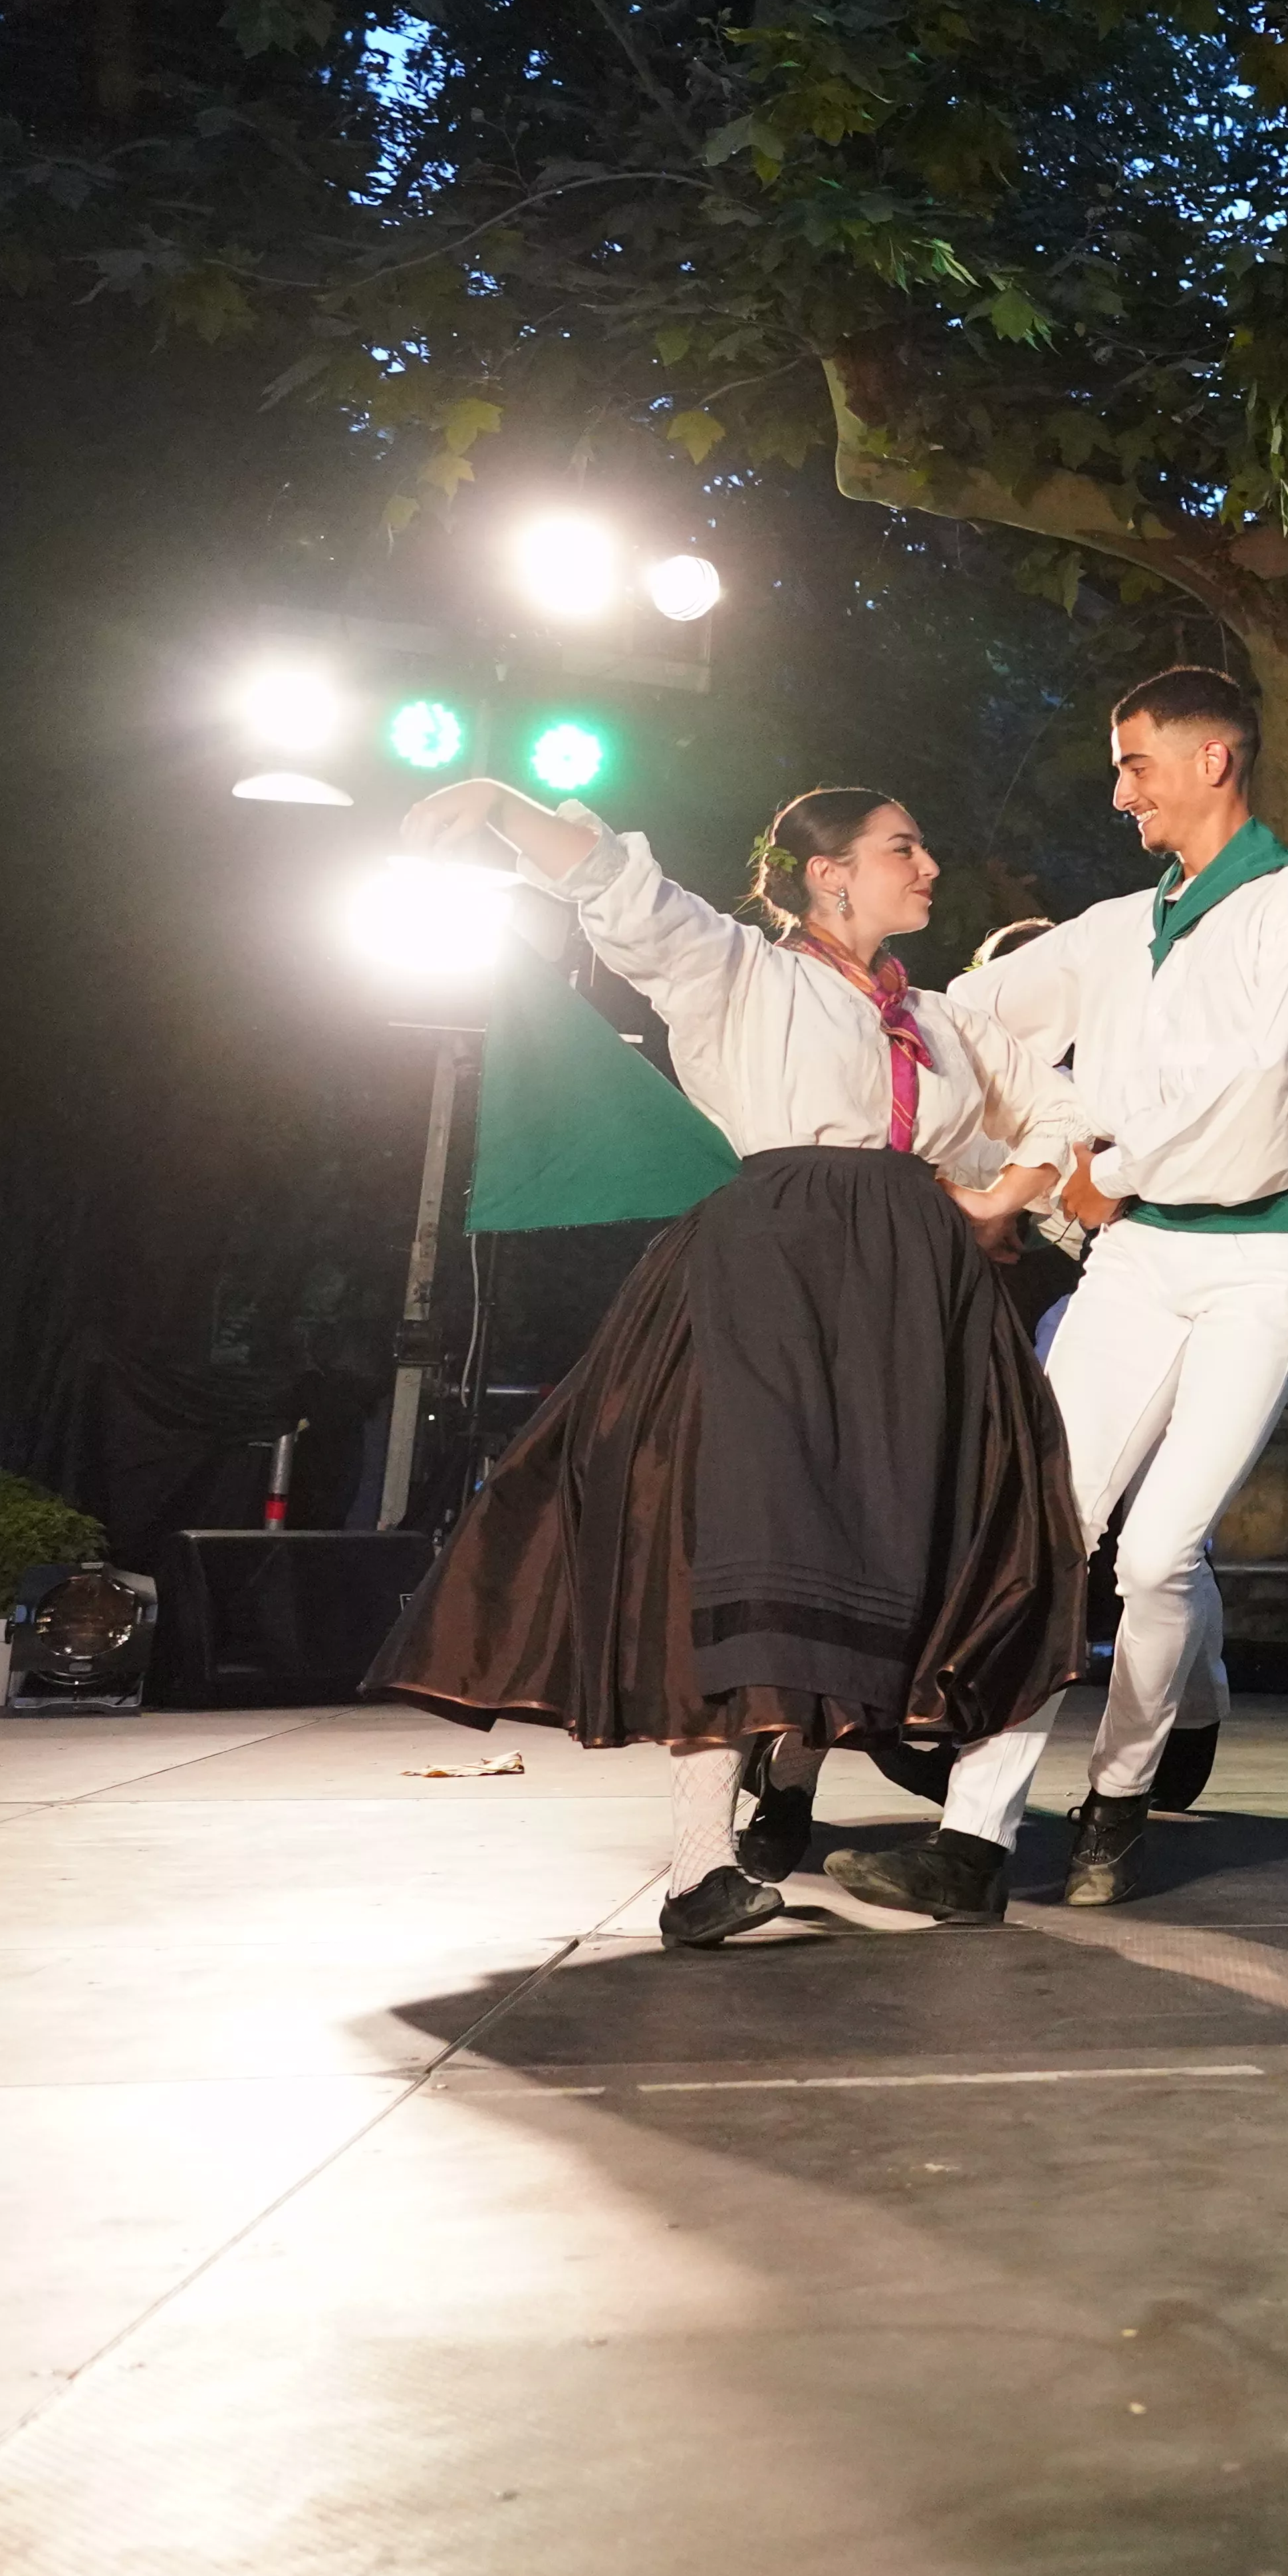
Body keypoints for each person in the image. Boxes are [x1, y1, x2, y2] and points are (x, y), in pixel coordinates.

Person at [374, 779, 1088, 1949]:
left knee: (918, 1532)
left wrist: (994, 1192)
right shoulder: (742, 971)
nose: (928, 868)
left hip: (917, 1299)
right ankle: (704, 1865)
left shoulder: (950, 1020)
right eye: (902, 847)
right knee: (738, 1533)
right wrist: (504, 803)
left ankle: (808, 1784)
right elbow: (617, 886)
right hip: (771, 1275)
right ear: (828, 872)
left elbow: (1062, 1107)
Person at [821, 668, 1288, 1922]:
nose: (1120, 787)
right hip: (1135, 1253)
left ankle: (1119, 1797)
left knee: (1160, 1548)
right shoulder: (1122, 922)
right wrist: (818, 995)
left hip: (1260, 1256)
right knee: (1048, 1526)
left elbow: (1270, 1102)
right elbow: (958, 1013)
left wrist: (1105, 1173)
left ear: (1213, 763)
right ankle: (973, 1836)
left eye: (1136, 763)